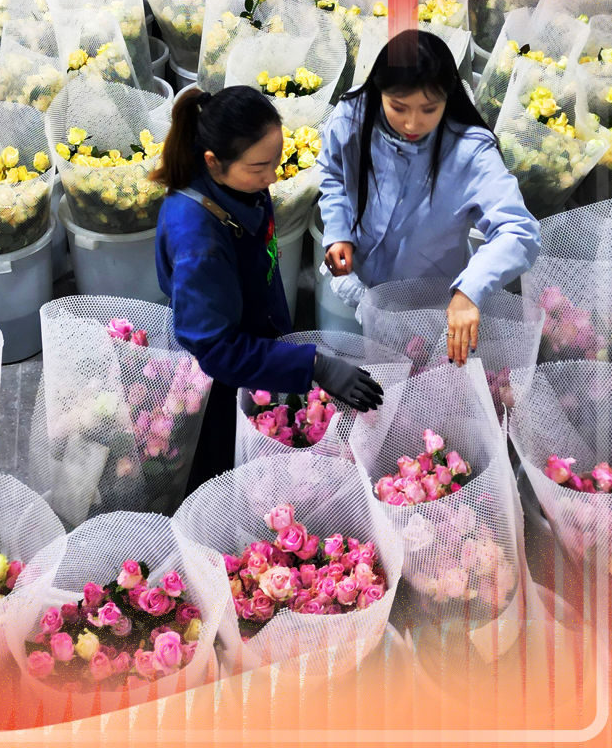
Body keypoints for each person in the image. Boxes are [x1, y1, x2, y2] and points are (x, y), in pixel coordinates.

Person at [154, 85, 383, 488]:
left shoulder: (238, 187)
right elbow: (216, 350)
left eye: (275, 162)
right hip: (221, 374)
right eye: (259, 168)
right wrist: (315, 366)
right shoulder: (199, 244)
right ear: (213, 161)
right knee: (224, 459)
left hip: (254, 332)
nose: (272, 177)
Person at [318, 28, 540, 366]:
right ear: (379, 90)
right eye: (398, 107)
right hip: (360, 277)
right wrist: (338, 233)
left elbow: (519, 231)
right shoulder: (354, 116)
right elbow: (333, 173)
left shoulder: (469, 152)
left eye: (428, 109)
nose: (412, 123)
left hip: (431, 300)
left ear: (447, 98)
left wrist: (470, 289)